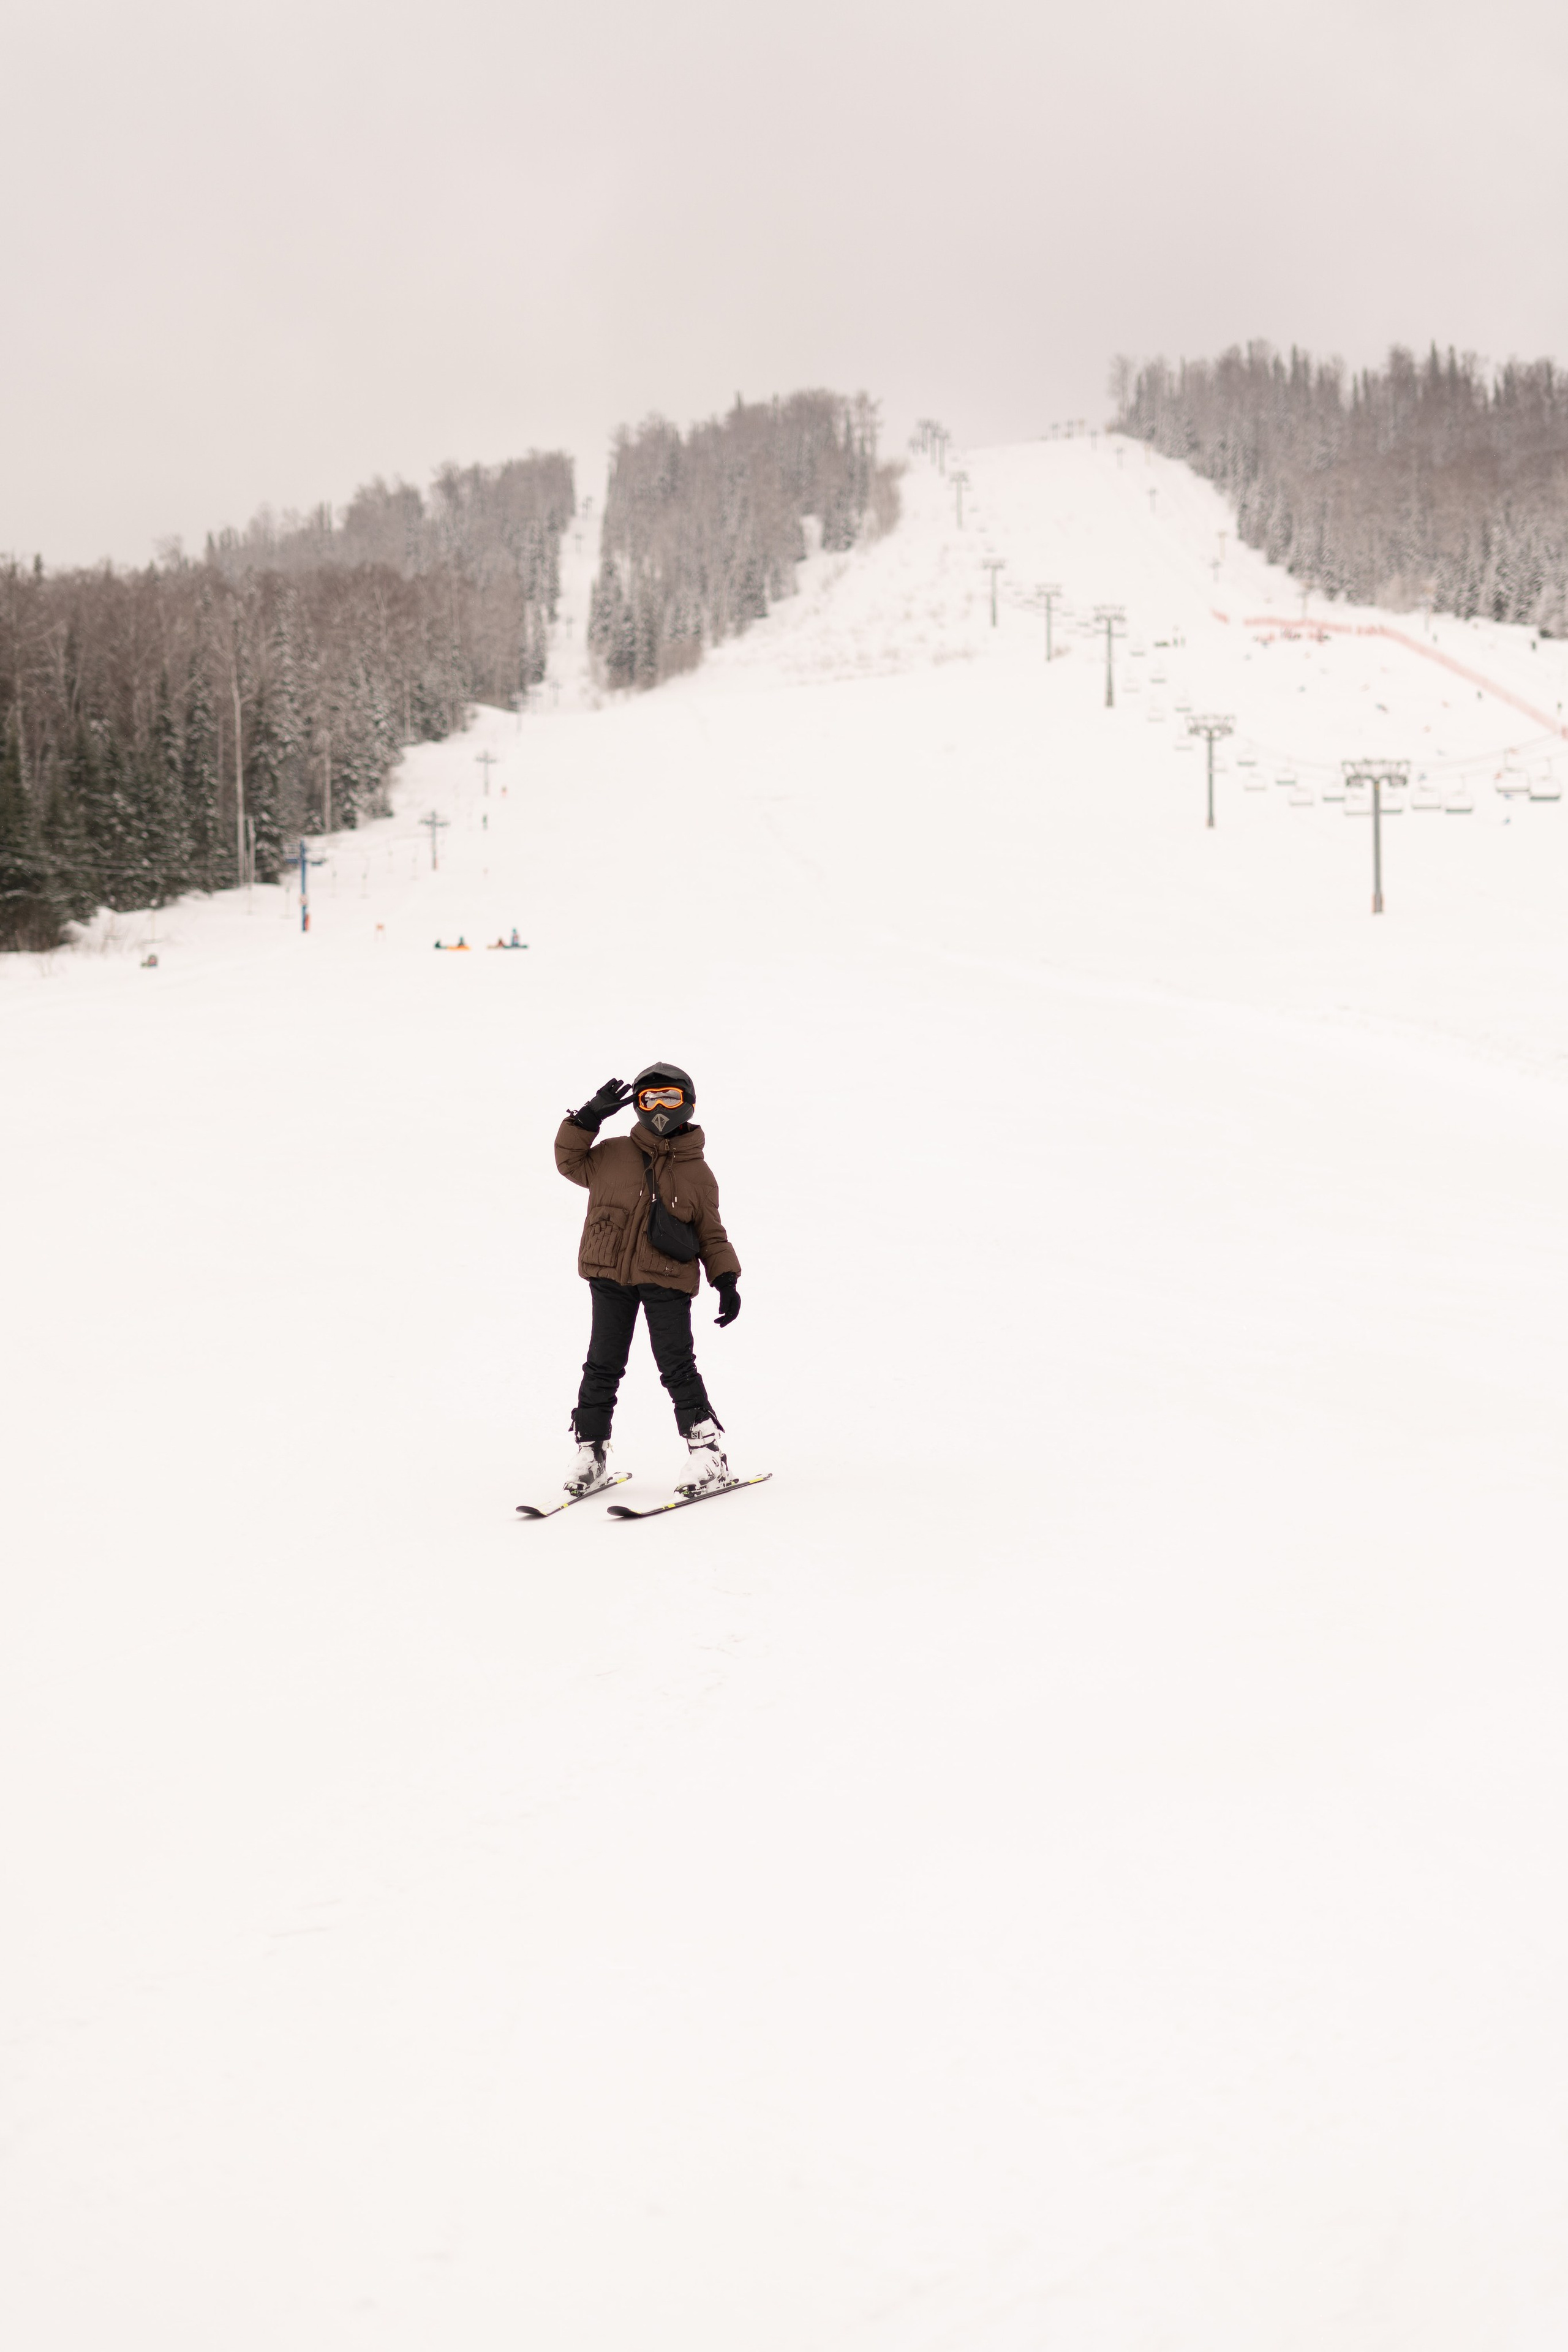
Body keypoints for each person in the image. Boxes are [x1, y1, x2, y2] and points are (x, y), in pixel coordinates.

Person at [556, 1062, 741, 1499]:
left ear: (688, 1105)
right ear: (636, 1107)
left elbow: (711, 1234)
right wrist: (587, 1118)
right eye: (649, 1099)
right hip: (609, 1274)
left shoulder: (698, 1174)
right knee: (602, 1364)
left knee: (676, 1364)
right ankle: (591, 1452)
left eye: (669, 1099)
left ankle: (707, 1452)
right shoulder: (611, 1153)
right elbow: (569, 1161)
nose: (659, 1108)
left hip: (667, 1278)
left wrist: (726, 1278)